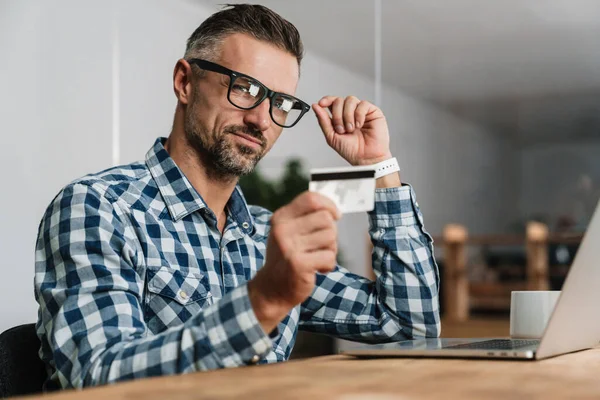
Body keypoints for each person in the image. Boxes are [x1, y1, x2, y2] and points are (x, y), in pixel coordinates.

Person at [34, 4, 440, 390]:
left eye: (280, 102)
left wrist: (380, 166)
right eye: (244, 88)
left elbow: (409, 324)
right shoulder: (99, 208)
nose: (261, 119)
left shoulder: (268, 236)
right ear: (185, 82)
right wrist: (262, 303)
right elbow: (99, 377)